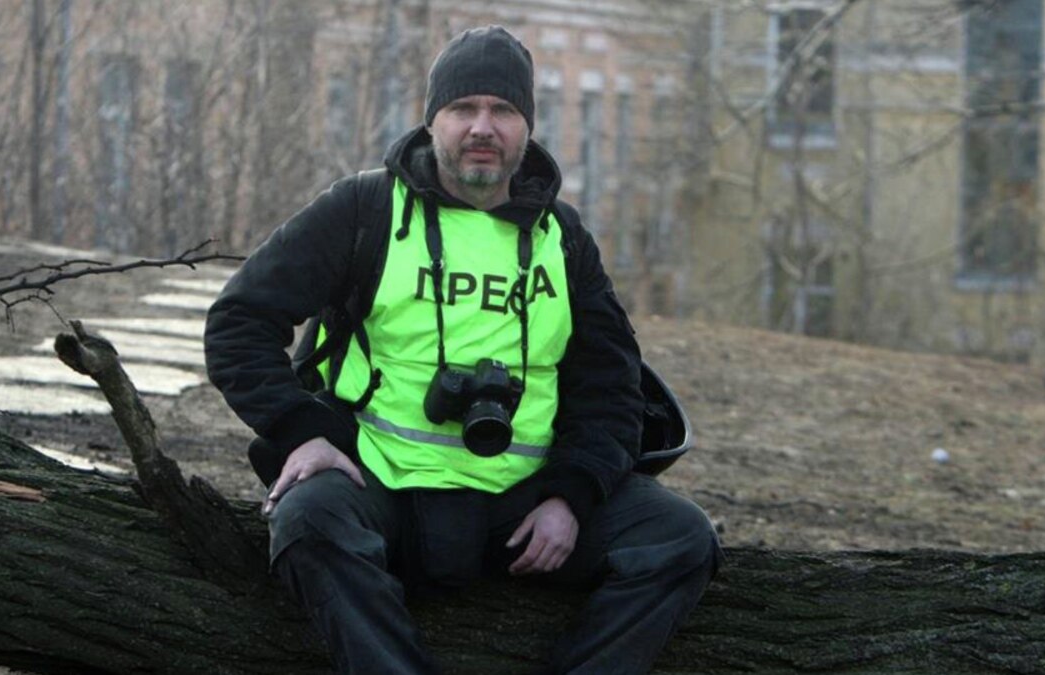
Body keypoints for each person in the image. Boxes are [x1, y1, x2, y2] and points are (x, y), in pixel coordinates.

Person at [205, 25, 722, 674]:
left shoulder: (561, 236)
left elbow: (612, 385)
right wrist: (302, 431)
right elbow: (239, 320)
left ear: (527, 128)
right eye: (463, 109)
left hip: (523, 499)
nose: (483, 126)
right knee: (309, 521)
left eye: (503, 110)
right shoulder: (366, 209)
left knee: (679, 538)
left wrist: (572, 494)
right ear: (432, 123)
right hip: (381, 482)